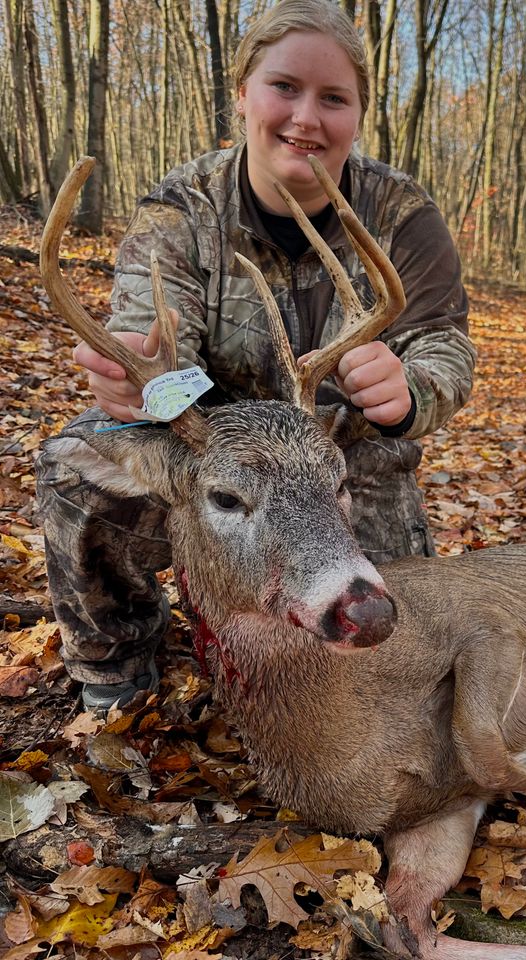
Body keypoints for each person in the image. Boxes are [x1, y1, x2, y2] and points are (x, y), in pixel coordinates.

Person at [36, 0, 475, 712]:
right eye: (284, 88)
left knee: (393, 656)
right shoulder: (181, 211)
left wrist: (413, 387)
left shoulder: (400, 214)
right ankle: (119, 675)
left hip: (344, 462)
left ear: (359, 113)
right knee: (76, 466)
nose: (306, 117)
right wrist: (131, 372)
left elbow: (446, 343)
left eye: (334, 98)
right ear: (242, 93)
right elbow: (147, 341)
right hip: (215, 463)